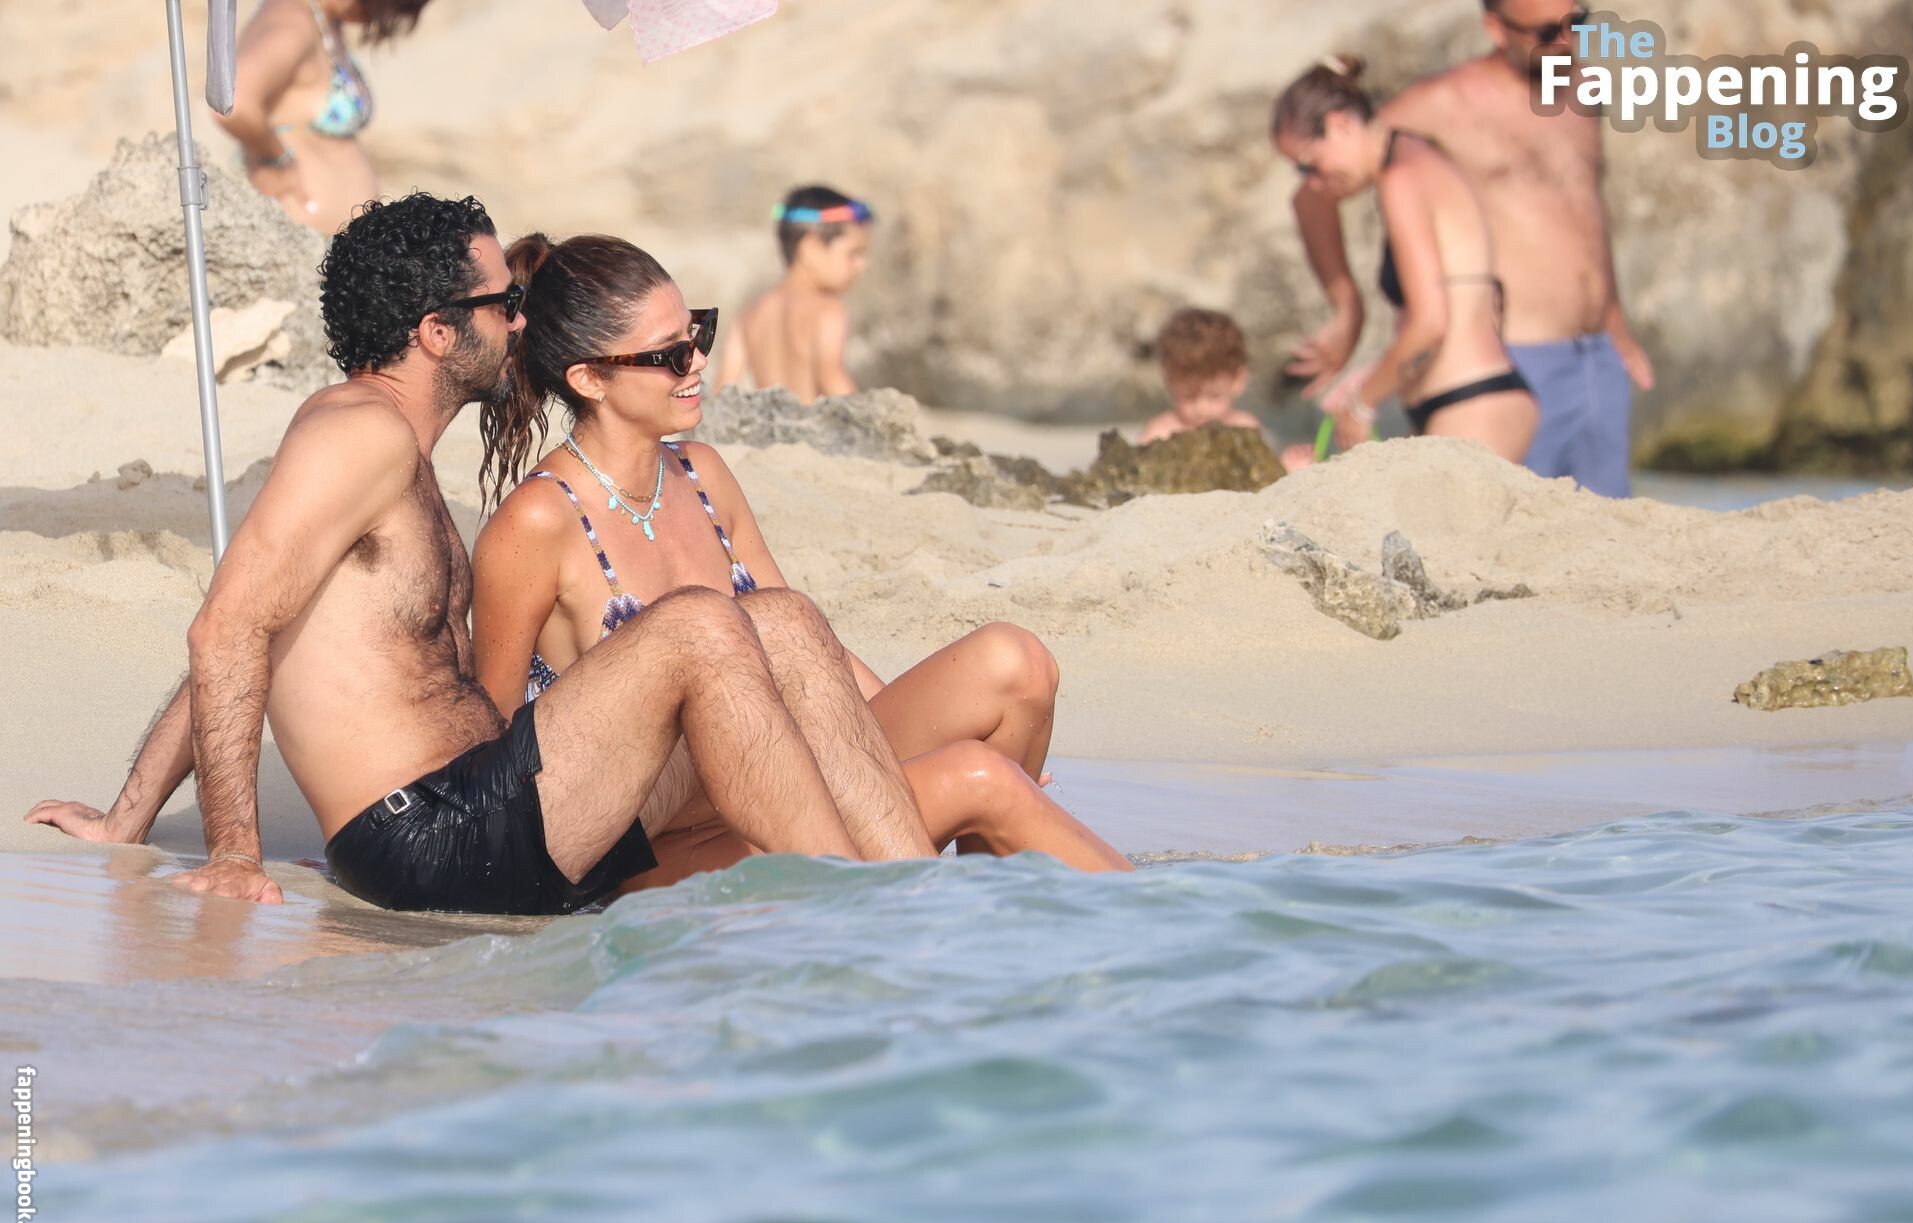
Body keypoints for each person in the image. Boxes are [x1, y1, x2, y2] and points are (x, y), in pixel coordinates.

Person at [24, 193, 954, 914]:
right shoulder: (355, 432)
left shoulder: (397, 452)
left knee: (777, 622)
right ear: (438, 332)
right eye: (504, 304)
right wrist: (234, 852)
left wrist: (129, 816)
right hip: (430, 837)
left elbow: (254, 625)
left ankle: (917, 910)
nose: (521, 321)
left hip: (496, 802)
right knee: (701, 626)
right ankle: (857, 915)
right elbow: (226, 627)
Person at [472, 233, 1132, 880]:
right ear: (591, 378)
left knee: (1016, 664)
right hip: (663, 841)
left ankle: (985, 907)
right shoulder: (538, 520)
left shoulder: (702, 473)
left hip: (789, 772)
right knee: (980, 776)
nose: (698, 361)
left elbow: (811, 656)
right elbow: (495, 745)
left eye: (699, 331)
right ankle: (1021, 907)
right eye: (670, 354)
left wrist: (895, 738)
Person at [1285, 1, 1654, 496]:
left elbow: (1586, 212)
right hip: (1515, 353)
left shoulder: (1581, 90)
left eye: (1578, 23)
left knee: (1608, 531)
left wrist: (1616, 323)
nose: (1567, 42)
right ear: (1495, 27)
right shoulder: (1442, 102)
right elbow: (1318, 187)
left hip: (1597, 355)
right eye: (1548, 31)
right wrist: (1347, 309)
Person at [1272, 57, 1538, 471]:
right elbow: (1452, 313)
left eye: (1308, 163)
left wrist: (1362, 404)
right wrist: (1367, 363)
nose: (1313, 182)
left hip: (1473, 400)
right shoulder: (1411, 160)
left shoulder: (1403, 178)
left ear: (1340, 125)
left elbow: (1431, 325)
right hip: (1463, 399)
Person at [216, 0, 428, 233]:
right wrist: (277, 160)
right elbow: (234, 103)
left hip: (341, 235)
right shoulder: (292, 20)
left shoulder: (323, 20)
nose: (377, 18)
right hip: (304, 233)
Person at [715, 185, 871, 403]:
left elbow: (722, 391)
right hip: (813, 424)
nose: (862, 265)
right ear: (811, 250)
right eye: (853, 254)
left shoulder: (749, 315)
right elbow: (832, 379)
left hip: (773, 425)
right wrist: (867, 417)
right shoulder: (828, 310)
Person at [1139, 308, 1266, 445]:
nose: (1201, 409)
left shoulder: (1246, 428)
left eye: (1214, 396)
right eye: (1189, 396)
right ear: (1169, 382)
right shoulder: (1160, 434)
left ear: (1238, 381)